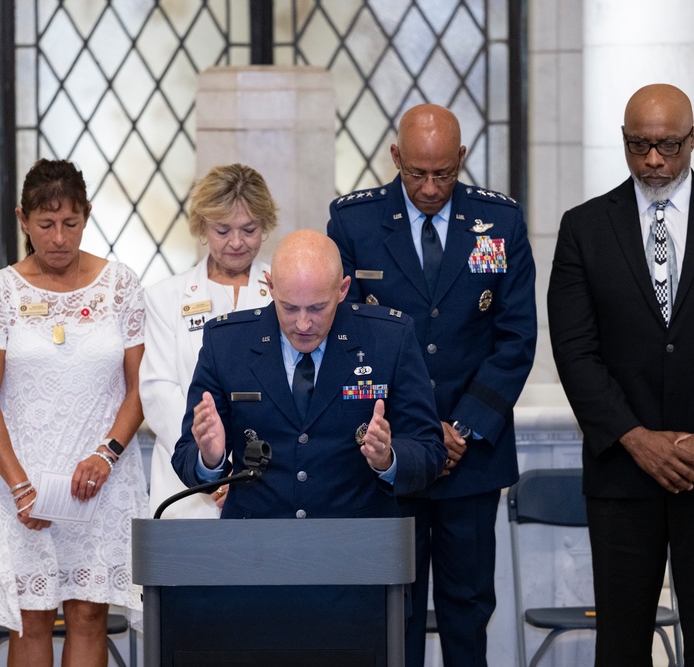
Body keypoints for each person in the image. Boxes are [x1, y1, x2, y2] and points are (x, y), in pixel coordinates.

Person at [547, 83, 694, 666]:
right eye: (639, 146)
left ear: (693, 139)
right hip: (622, 473)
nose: (653, 160)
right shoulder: (583, 228)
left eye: (668, 145)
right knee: (623, 644)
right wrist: (636, 439)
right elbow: (575, 350)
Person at [327, 103, 537, 666]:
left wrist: (462, 427)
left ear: (461, 160)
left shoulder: (503, 223)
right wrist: (410, 437)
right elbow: (344, 339)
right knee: (394, 609)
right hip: (387, 456)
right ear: (395, 158)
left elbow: (516, 340)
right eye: (416, 173)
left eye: (443, 174)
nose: (428, 187)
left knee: (468, 608)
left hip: (472, 459)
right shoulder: (354, 223)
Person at [0, 159, 149, 667]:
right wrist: (21, 487)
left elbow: (140, 387)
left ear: (87, 216)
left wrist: (106, 454)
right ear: (23, 219)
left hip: (100, 478)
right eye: (46, 225)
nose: (59, 238)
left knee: (89, 614)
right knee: (31, 616)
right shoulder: (0, 290)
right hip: (21, 480)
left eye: (70, 223)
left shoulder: (120, 284)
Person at [171, 230, 446, 519]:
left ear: (342, 289)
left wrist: (387, 459)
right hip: (256, 544)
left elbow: (430, 451)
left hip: (357, 541)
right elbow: (185, 455)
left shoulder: (389, 339)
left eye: (317, 308)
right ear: (271, 287)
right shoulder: (226, 342)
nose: (303, 324)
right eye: (289, 308)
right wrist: (209, 459)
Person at [141, 163, 278, 518]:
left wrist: (245, 467)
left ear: (265, 225)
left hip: (267, 474)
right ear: (202, 227)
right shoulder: (165, 297)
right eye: (222, 230)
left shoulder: (286, 292)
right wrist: (212, 461)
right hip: (188, 482)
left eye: (249, 229)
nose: (236, 242)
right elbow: (159, 391)